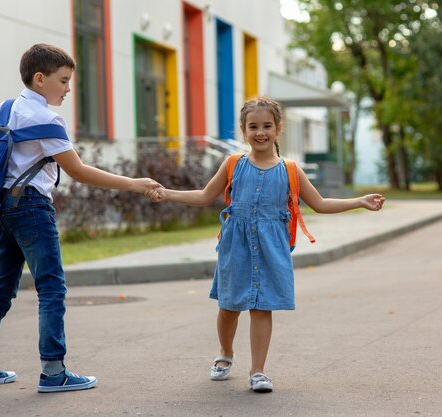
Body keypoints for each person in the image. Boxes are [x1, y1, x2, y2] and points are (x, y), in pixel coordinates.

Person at [0, 43, 162, 393]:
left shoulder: (5, 109)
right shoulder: (46, 119)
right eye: (64, 81)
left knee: (1, 287)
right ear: (40, 79)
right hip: (32, 207)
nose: (68, 89)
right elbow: (78, 171)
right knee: (51, 288)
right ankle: (54, 372)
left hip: (1, 207)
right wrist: (135, 184)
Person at [146, 96, 384, 393]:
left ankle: (258, 371)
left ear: (278, 128)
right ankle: (225, 353)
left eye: (267, 126)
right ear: (243, 130)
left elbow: (320, 204)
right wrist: (167, 193)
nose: (261, 132)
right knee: (229, 306)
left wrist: (359, 201)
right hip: (236, 246)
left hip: (272, 248)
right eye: (253, 126)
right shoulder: (233, 164)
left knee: (262, 307)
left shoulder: (290, 169)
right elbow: (205, 196)